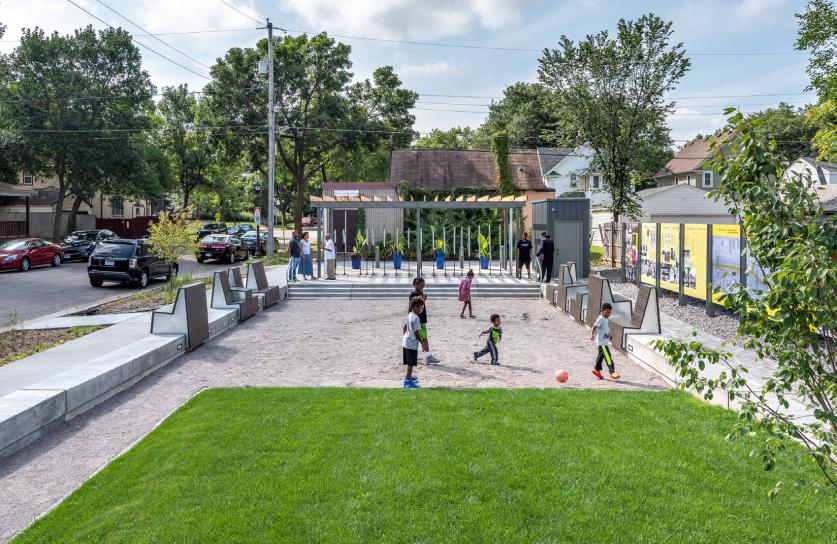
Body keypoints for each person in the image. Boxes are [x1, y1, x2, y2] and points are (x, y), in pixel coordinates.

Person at [408, 277, 441, 364]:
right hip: (417, 320)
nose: (423, 287)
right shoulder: (412, 294)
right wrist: (424, 299)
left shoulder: (421, 292)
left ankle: (428, 356)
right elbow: (414, 307)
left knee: (424, 338)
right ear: (415, 284)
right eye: (421, 285)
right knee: (415, 339)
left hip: (422, 319)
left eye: (424, 285)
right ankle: (425, 356)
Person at [591, 302, 620, 380]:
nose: (608, 314)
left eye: (610, 313)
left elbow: (605, 329)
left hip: (604, 342)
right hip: (602, 343)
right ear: (602, 311)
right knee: (608, 357)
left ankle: (596, 369)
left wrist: (609, 335)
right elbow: (595, 326)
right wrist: (592, 335)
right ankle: (612, 372)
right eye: (607, 312)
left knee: (601, 356)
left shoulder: (605, 319)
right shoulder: (601, 319)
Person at [402, 298, 424, 388]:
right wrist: (422, 343)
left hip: (406, 342)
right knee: (410, 364)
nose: (421, 310)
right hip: (412, 344)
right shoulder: (416, 318)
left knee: (409, 362)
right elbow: (416, 333)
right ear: (415, 307)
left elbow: (404, 327)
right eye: (420, 308)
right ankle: (407, 381)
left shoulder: (410, 314)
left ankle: (409, 377)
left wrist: (406, 336)